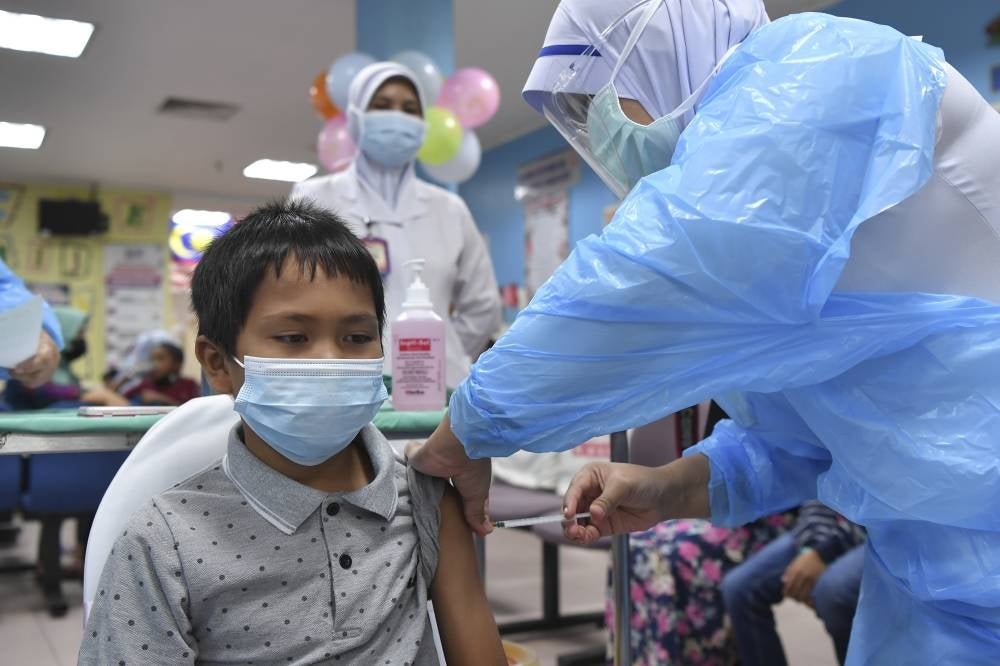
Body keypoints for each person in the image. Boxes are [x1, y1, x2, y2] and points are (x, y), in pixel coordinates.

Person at [406, 1, 1000, 663]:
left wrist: (464, 433)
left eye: (599, 101)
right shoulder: (785, 236)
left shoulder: (821, 64)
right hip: (934, 584)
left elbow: (654, 273)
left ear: (662, 48)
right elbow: (793, 443)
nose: (597, 132)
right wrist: (668, 488)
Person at [79, 201, 505, 665]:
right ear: (218, 363)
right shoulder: (161, 542)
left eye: (357, 337)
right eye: (293, 338)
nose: (332, 360)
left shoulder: (424, 501)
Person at [291, 62, 502, 389]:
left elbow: (483, 305)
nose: (398, 117)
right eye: (383, 105)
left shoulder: (449, 209)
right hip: (342, 385)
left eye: (409, 109)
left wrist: (444, 352)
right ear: (357, 117)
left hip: (437, 390)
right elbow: (293, 295)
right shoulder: (315, 199)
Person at [723, 502, 865, 666]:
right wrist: (811, 549)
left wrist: (826, 553)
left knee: (832, 592)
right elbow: (816, 496)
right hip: (825, 528)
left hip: (879, 531)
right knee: (739, 588)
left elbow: (883, 511)